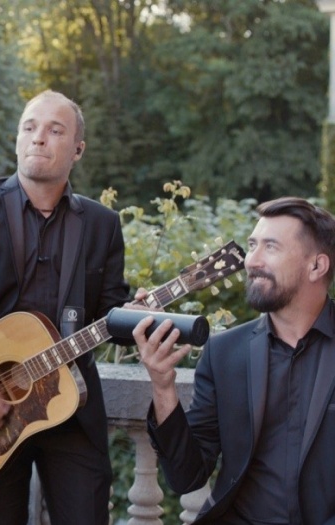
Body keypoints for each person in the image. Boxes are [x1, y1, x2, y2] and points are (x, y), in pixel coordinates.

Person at [0, 89, 130, 524]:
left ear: (78, 149)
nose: (38, 137)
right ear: (18, 139)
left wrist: (142, 319)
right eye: (29, 127)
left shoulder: (103, 225)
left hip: (71, 410)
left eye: (55, 130)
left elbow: (114, 313)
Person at [135, 196, 335, 524]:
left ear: (316, 266)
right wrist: (162, 385)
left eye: (271, 247)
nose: (251, 261)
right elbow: (187, 476)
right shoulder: (224, 352)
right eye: (252, 245)